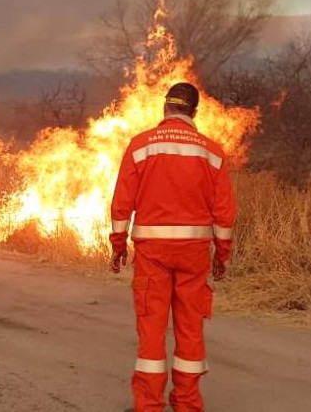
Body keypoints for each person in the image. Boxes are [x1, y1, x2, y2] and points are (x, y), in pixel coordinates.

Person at [109, 82, 236, 412]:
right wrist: (222, 255)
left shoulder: (141, 146)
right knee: (190, 328)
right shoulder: (212, 152)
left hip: (152, 253)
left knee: (151, 328)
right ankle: (187, 404)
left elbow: (122, 201)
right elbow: (224, 213)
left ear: (165, 108)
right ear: (194, 112)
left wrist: (118, 244)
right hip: (194, 254)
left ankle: (149, 405)